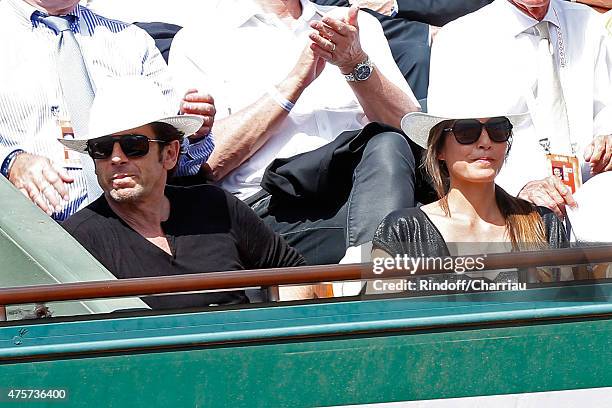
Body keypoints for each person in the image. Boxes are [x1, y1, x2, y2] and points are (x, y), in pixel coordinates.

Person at [169, 0, 423, 265]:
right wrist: (295, 82)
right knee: (410, 237)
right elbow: (207, 164)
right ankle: (378, 283)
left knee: (388, 145)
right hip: (270, 209)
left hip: (368, 191)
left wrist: (354, 63)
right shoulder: (201, 38)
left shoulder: (354, 24)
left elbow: (413, 130)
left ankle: (373, 278)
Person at [62, 78, 305, 310]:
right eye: (101, 149)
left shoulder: (213, 205)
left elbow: (295, 274)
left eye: (133, 145)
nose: (116, 158)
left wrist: (284, 341)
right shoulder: (76, 239)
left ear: (170, 154)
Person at [0, 0, 215, 221]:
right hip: (31, 234)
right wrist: (10, 162)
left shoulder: (131, 41)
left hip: (138, 231)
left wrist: (194, 132)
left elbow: (181, 165)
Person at [428, 0, 612, 221]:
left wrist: (608, 140)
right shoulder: (460, 38)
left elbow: (606, 108)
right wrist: (520, 188)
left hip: (595, 194)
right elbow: (453, 150)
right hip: (512, 207)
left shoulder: (587, 23)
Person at [371, 109, 570, 288]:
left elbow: (572, 312)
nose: (485, 142)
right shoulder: (403, 229)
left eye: (498, 129)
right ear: (439, 149)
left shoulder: (543, 223)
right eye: (466, 131)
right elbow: (380, 316)